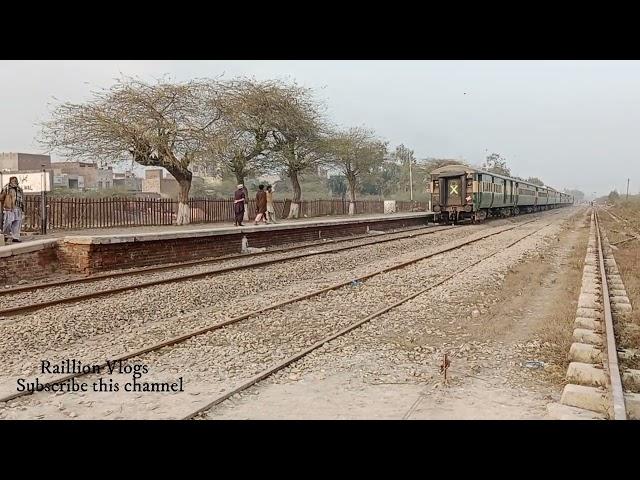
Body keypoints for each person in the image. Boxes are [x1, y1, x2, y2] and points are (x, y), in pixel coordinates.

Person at [0, 176, 24, 244]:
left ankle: (15, 237)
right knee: (8, 222)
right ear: (10, 181)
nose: (15, 181)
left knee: (17, 223)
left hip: (18, 207)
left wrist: (23, 208)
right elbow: (1, 197)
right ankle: (5, 235)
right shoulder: (6, 188)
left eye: (15, 180)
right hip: (9, 207)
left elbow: (22, 199)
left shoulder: (19, 189)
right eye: (13, 180)